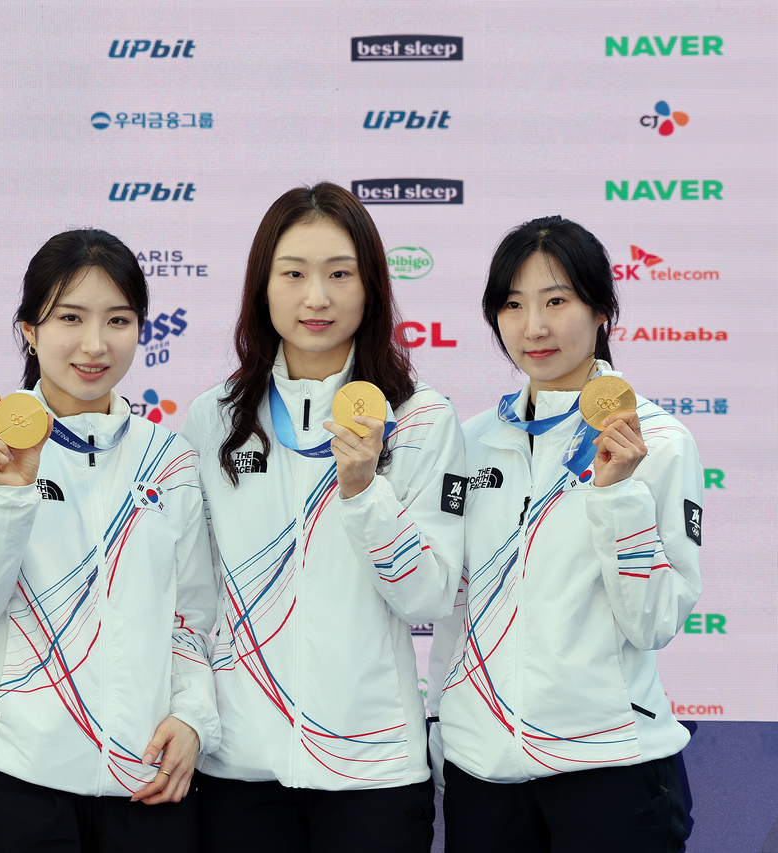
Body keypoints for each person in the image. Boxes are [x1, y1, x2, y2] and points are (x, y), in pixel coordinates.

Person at [180, 183, 465, 852]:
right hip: (238, 768)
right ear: (262, 287)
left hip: (373, 772)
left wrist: (365, 492)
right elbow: (191, 595)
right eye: (294, 274)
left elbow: (427, 593)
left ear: (371, 287)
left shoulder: (421, 417)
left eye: (339, 273)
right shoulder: (214, 418)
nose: (316, 296)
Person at [0, 229, 219, 852]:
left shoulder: (169, 459)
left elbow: (191, 616)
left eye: (118, 320)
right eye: (70, 318)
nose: (94, 344)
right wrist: (9, 494)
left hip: (147, 786)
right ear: (29, 329)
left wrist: (193, 718)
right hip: (14, 782)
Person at [429, 216, 699, 852]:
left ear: (603, 308)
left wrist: (618, 495)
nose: (535, 328)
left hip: (611, 769)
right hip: (486, 772)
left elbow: (654, 622)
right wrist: (447, 725)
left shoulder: (657, 442)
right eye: (513, 305)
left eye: (557, 300)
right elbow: (455, 606)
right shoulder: (469, 442)